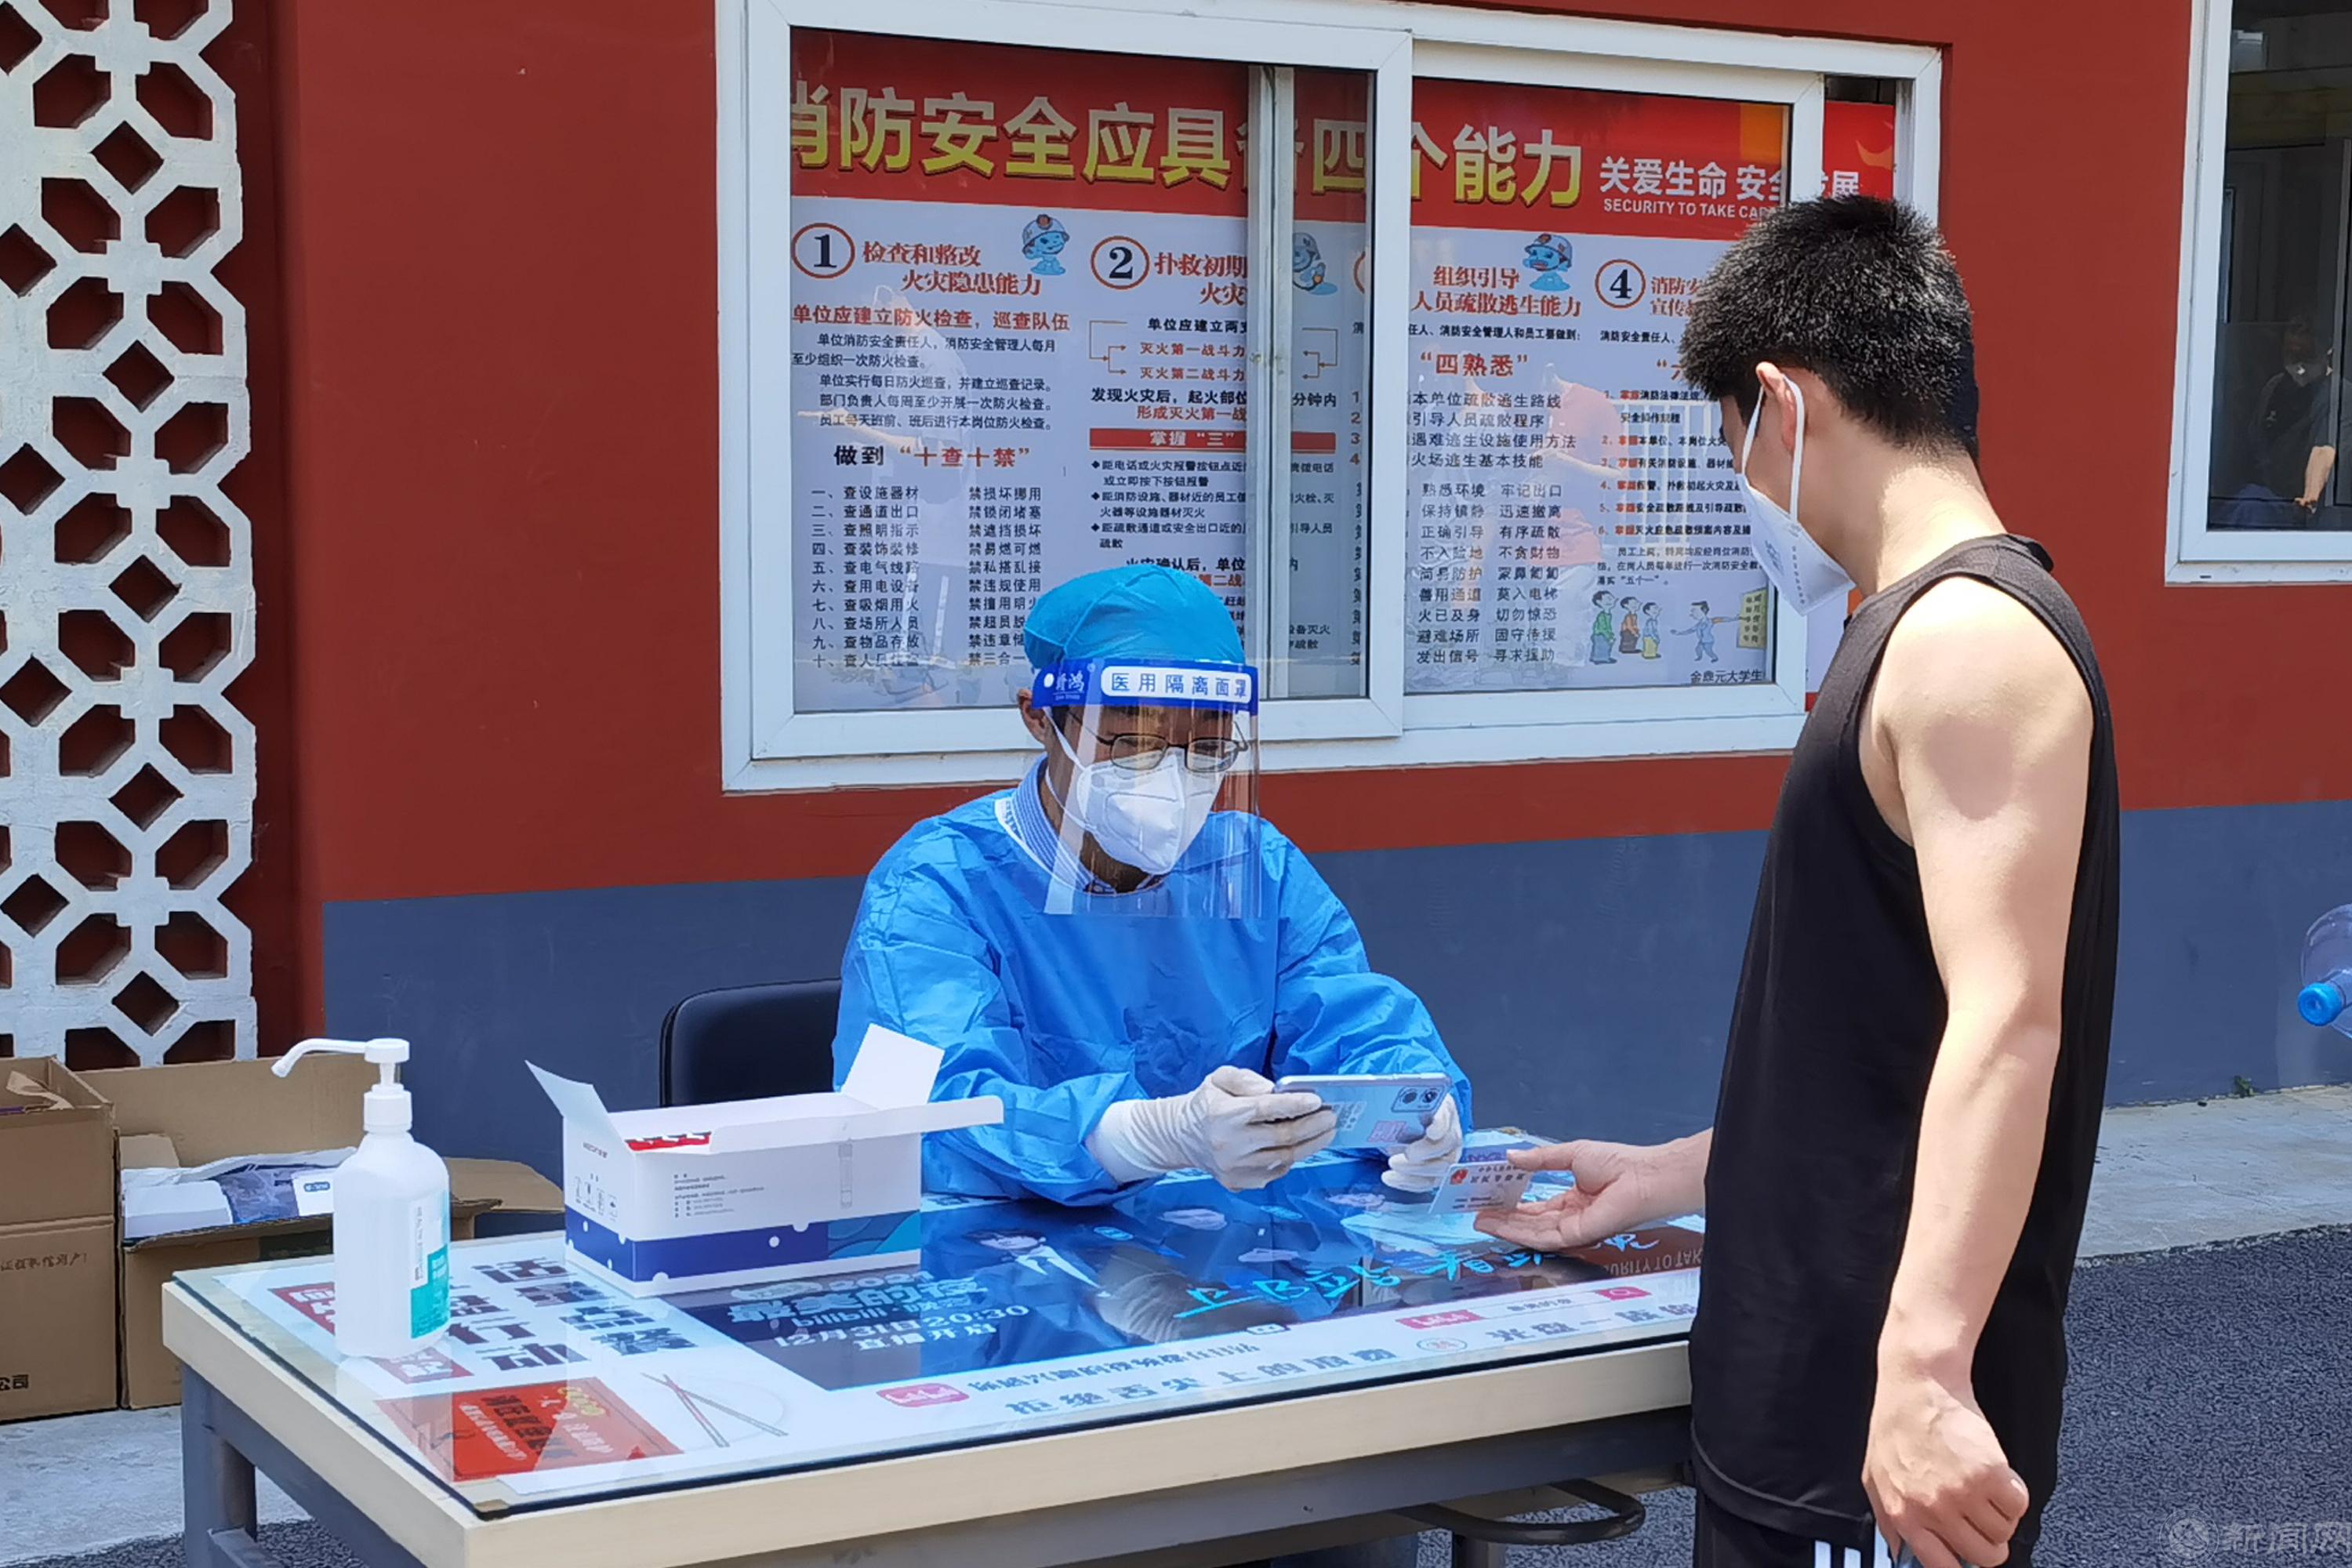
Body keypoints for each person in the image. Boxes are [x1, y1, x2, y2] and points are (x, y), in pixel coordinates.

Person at [1482, 197, 2118, 1568]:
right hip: (1805, 1402)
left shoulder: (1967, 645)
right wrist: (1674, 1174)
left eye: (1733, 440)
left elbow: (2008, 1024)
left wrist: (1928, 1371)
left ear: (1782, 403)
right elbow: (1876, 1046)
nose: (1743, 485)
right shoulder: (1908, 636)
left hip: (1875, 1436)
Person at [833, 563, 1470, 1210]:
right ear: (1040, 718)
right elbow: (924, 1115)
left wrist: (1413, 1110)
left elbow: (1353, 1023)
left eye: (1207, 747)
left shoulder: (1256, 866)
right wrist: (1144, 1137)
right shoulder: (938, 883)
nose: (1170, 777)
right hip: (1008, 1238)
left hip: (1228, 1238)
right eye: (1132, 741)